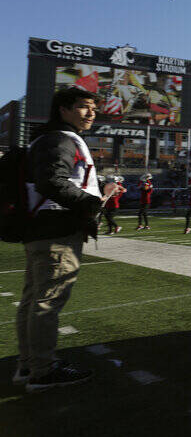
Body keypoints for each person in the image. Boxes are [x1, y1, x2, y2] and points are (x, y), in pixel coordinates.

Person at [15, 88, 124, 391]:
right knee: (47, 303)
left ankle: (29, 365)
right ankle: (43, 371)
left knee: (33, 300)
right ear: (63, 109)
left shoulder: (48, 137)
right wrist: (92, 203)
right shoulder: (60, 139)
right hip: (57, 231)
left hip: (42, 228)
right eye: (83, 107)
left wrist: (100, 194)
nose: (91, 113)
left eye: (92, 108)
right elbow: (52, 180)